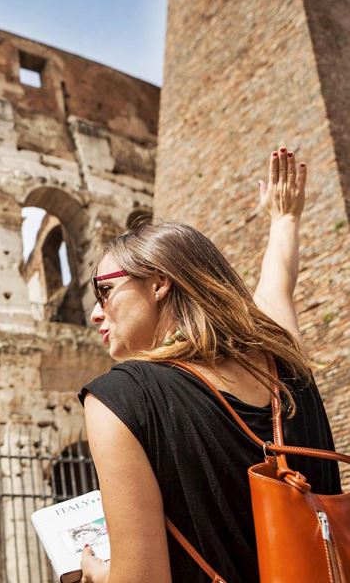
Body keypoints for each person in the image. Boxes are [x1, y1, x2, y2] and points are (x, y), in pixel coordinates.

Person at [78, 147, 341, 583]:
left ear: (160, 282)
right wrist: (285, 218)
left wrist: (98, 574)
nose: (95, 312)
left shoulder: (118, 399)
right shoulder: (283, 358)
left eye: (103, 290)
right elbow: (280, 279)